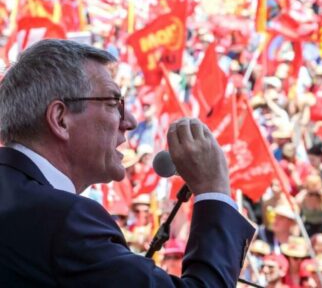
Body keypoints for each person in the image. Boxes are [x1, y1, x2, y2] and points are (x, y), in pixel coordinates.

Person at [0, 39, 255, 286]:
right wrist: (214, 190)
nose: (130, 121)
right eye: (113, 103)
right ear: (61, 119)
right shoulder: (66, 222)